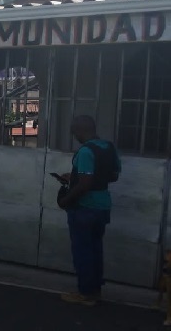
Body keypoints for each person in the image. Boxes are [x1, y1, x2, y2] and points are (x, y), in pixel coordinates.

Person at [58, 115, 121, 306]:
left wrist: (66, 200)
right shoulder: (109, 147)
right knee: (95, 249)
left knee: (82, 251)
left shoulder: (85, 151)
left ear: (79, 130)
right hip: (102, 207)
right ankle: (95, 290)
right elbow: (113, 176)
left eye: (73, 131)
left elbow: (85, 184)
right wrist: (75, 178)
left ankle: (85, 293)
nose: (73, 135)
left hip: (84, 208)